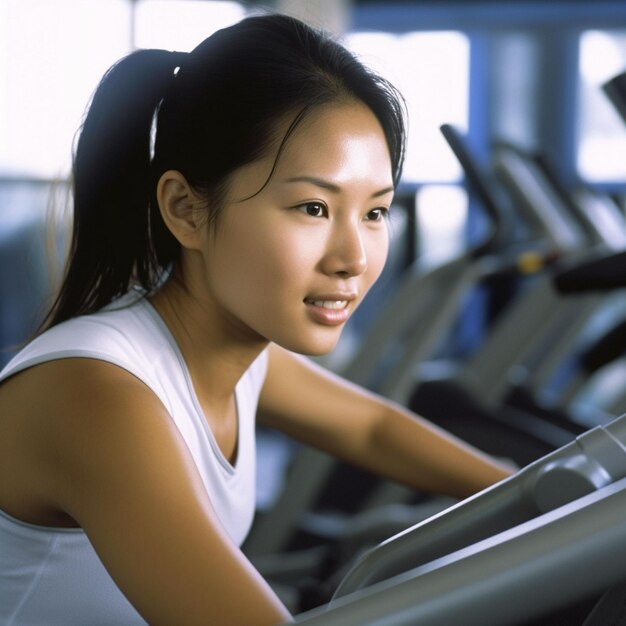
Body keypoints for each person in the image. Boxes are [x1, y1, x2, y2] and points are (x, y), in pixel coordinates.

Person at [0, 13, 513, 626]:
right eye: (313, 207)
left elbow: (369, 429)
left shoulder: (233, 356)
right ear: (185, 210)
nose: (353, 259)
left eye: (376, 212)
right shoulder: (97, 398)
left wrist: (546, 493)